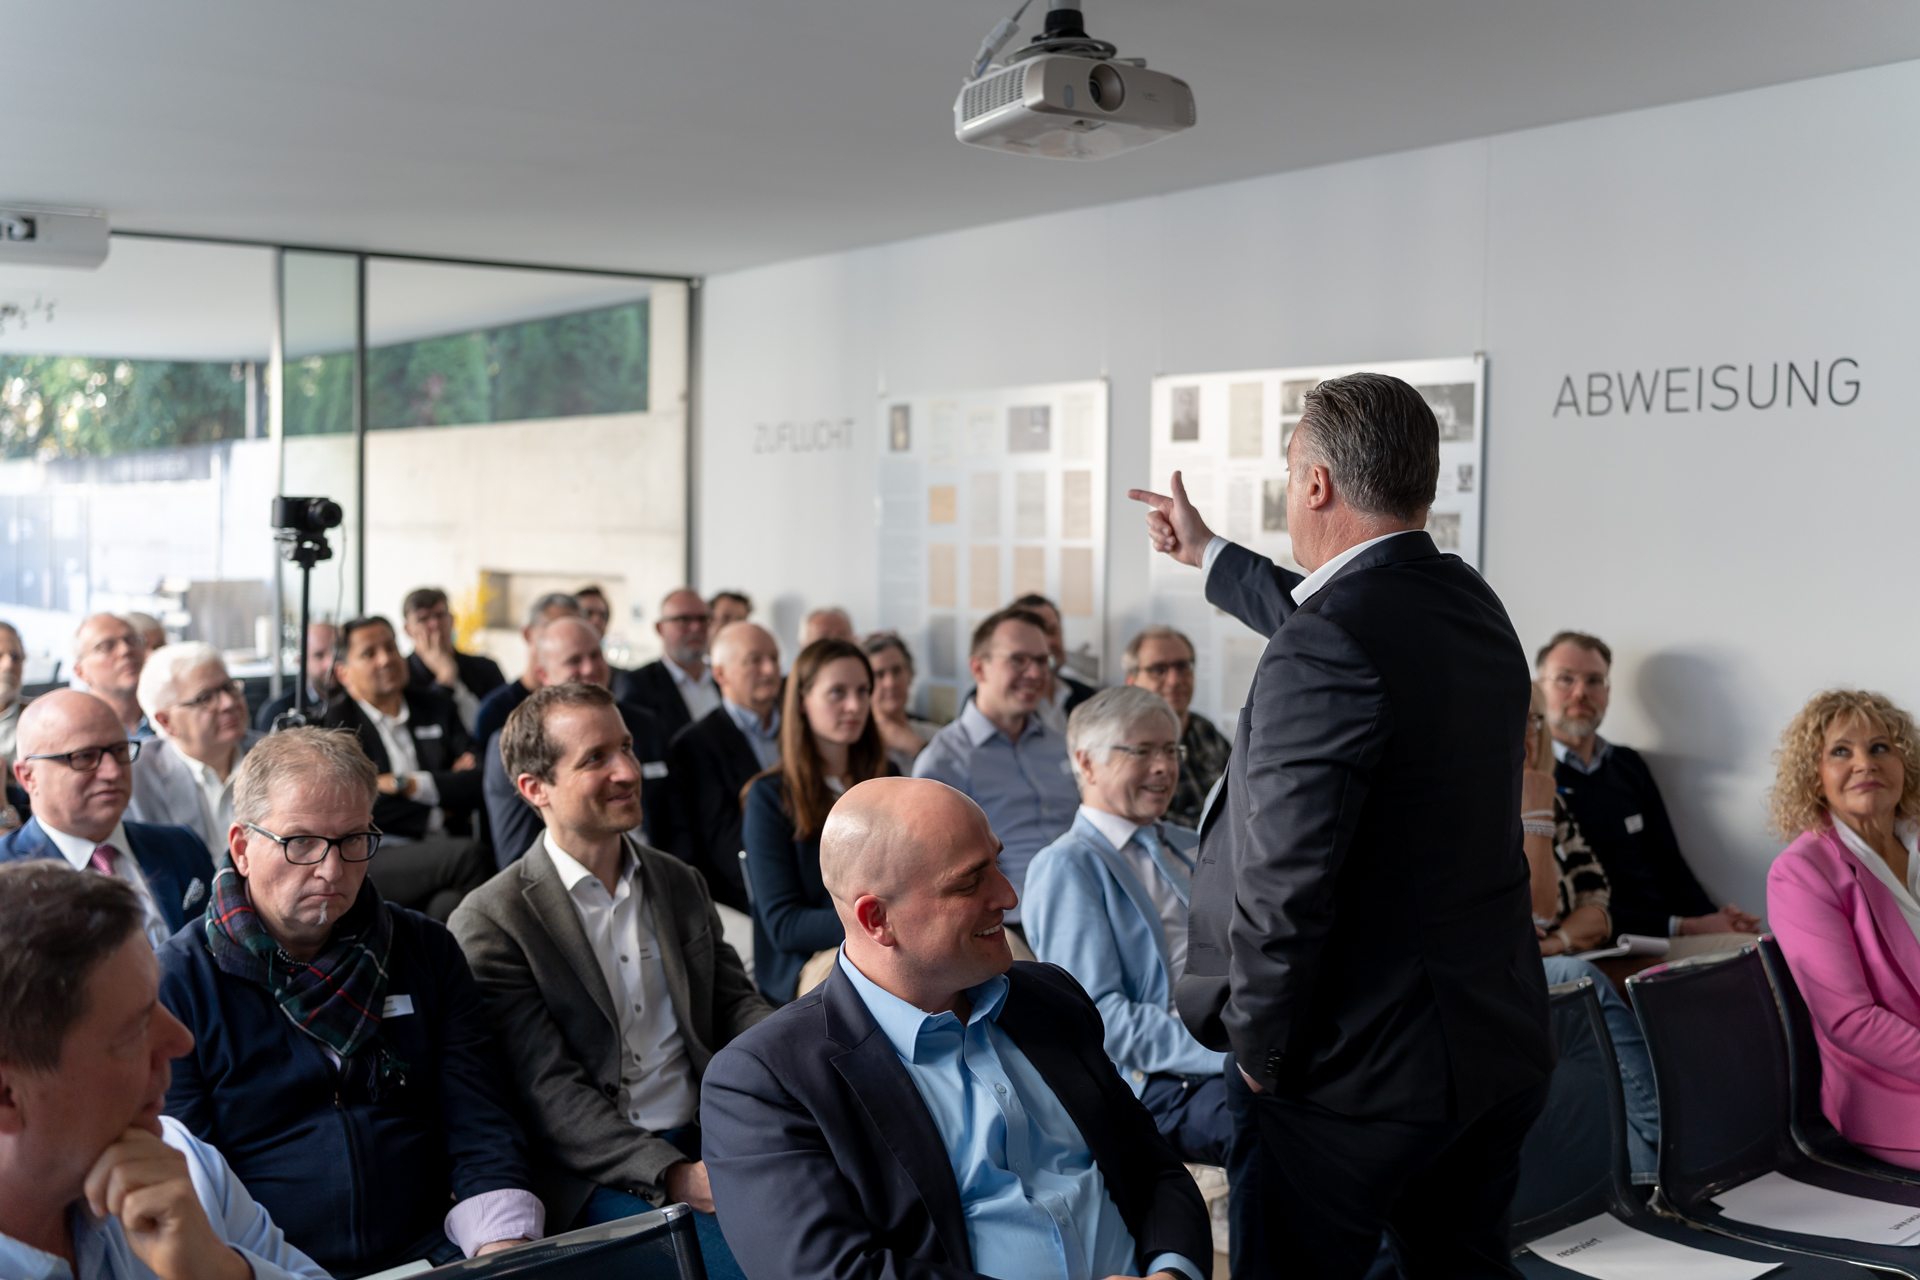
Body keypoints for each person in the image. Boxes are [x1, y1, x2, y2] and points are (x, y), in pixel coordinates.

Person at [1131, 371, 1552, 1278]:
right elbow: (1330, 616)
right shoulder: (1471, 605)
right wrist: (1209, 556)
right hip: (1486, 1051)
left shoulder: (1333, 644)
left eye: (1292, 472)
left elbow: (1285, 887)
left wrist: (1262, 1051)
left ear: (1317, 483)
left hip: (1349, 1078)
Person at [702, 776, 1212, 1280]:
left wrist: (1171, 1273)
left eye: (997, 862)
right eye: (970, 882)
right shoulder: (764, 1083)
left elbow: (1154, 1169)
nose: (1010, 897)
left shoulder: (1048, 998)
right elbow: (835, 1274)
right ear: (877, 919)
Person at [159, 728, 543, 1276]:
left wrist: (500, 1250)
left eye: (353, 841)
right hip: (274, 1266)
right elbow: (190, 1176)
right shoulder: (179, 981)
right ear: (242, 847)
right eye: (302, 843)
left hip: (433, 1250)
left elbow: (478, 1118)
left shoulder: (424, 950)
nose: (332, 871)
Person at [450, 684, 771, 1277]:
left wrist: (795, 1068)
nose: (628, 770)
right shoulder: (494, 920)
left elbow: (735, 1008)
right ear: (534, 788)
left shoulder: (679, 882)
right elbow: (549, 1093)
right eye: (595, 758)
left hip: (713, 1131)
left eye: (625, 746)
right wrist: (676, 1175)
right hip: (599, 1169)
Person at [0, 861, 329, 1280]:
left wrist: (222, 1272)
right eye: (134, 1028)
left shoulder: (188, 1167)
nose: (181, 1040)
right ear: (7, 1095)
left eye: (157, 1001)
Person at [1025, 687, 1258, 1270]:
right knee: (1280, 1124)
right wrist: (1232, 1055)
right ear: (1085, 761)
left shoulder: (1186, 845)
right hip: (1156, 1079)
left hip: (1237, 1041)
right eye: (1143, 751)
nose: (1165, 768)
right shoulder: (1068, 865)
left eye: (1172, 749)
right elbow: (1101, 1018)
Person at [1766, 689, 1920, 1170]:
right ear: (1815, 776)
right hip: (1896, 1095)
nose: (1865, 763)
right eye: (1841, 751)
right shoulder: (1802, 872)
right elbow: (1850, 1020)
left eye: (1880, 747)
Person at [1538, 631, 1763, 947]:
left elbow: (1668, 863)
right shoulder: (1532, 779)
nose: (1580, 692)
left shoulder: (1629, 765)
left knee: (1759, 946)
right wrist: (1685, 927)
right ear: (1538, 688)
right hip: (1605, 942)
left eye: (1594, 680)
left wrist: (1716, 920)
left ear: (1608, 691)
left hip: (1667, 931)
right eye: (1565, 679)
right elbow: (1568, 901)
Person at [1519, 685, 1661, 1182]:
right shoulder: (1481, 799)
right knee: (1580, 979)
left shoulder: (1549, 797)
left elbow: (1597, 906)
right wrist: (1533, 809)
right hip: (1502, 967)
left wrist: (1557, 939)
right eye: (1517, 715)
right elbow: (1537, 910)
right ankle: (1671, 1142)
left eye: (1536, 719)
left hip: (1553, 954)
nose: (1528, 729)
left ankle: (1648, 1184)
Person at [2, 690, 215, 944]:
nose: (113, 771)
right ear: (28, 777)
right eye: (84, 756)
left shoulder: (181, 846)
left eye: (120, 750)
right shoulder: (7, 875)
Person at [742, 639, 890, 1004]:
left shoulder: (890, 778)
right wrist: (889, 915)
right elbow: (784, 925)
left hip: (891, 937)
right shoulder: (769, 796)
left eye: (863, 691)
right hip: (813, 958)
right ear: (803, 701)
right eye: (837, 692)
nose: (854, 706)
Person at [316, 616, 491, 921]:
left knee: (448, 904)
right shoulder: (334, 726)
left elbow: (478, 781)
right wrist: (442, 807)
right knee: (471, 856)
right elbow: (352, 807)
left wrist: (406, 785)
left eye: (391, 647)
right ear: (343, 673)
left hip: (437, 853)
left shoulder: (436, 707)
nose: (386, 659)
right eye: (369, 654)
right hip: (374, 855)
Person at [913, 607, 1078, 928]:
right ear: (979, 668)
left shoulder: (1065, 745)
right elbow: (938, 877)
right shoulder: (944, 763)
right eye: (1018, 660)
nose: (1035, 673)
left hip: (1088, 903)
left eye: (1043, 661)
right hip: (1008, 922)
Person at [482, 616, 674, 869]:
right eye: (574, 660)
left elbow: (679, 821)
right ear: (543, 674)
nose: (589, 669)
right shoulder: (516, 745)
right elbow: (519, 858)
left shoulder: (647, 723)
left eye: (596, 655)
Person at [667, 622, 782, 913]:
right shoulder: (696, 744)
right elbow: (723, 843)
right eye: (755, 660)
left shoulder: (802, 729)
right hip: (750, 899)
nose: (770, 670)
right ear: (720, 673)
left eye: (774, 658)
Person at [130, 644, 262, 857]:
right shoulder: (137, 778)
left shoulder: (274, 755)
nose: (228, 703)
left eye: (229, 688)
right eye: (206, 698)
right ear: (166, 721)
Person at [1123, 626, 1231, 831]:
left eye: (1183, 667)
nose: (1175, 680)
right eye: (1158, 670)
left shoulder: (1205, 731)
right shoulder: (1124, 743)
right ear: (1132, 681)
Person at [474, 593, 583, 747]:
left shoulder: (585, 707)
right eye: (554, 628)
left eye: (575, 630)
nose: (567, 640)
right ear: (527, 634)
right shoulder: (497, 710)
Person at [616, 588, 720, 739]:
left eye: (703, 619)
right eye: (684, 620)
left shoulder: (723, 678)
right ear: (660, 628)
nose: (696, 627)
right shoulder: (639, 684)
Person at [404, 586, 506, 735]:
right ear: (408, 630)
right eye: (423, 619)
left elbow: (500, 725)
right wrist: (445, 678)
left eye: (440, 615)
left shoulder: (485, 668)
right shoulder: (402, 676)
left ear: (452, 620)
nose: (435, 625)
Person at [1011, 593, 1098, 731]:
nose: (1049, 641)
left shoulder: (1087, 696)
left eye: (1053, 631)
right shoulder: (1003, 700)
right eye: (1038, 633)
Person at [864, 633, 938, 775]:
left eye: (897, 671)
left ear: (910, 674)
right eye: (879, 674)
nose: (890, 683)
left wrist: (917, 746)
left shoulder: (936, 736)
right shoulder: (855, 743)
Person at [72, 614, 153, 741]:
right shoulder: (73, 732)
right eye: (106, 647)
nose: (126, 650)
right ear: (80, 672)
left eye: (131, 641)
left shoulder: (174, 717)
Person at [254, 622, 339, 731]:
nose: (331, 663)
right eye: (319, 655)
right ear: (300, 662)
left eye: (337, 653)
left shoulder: (360, 703)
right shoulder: (279, 712)